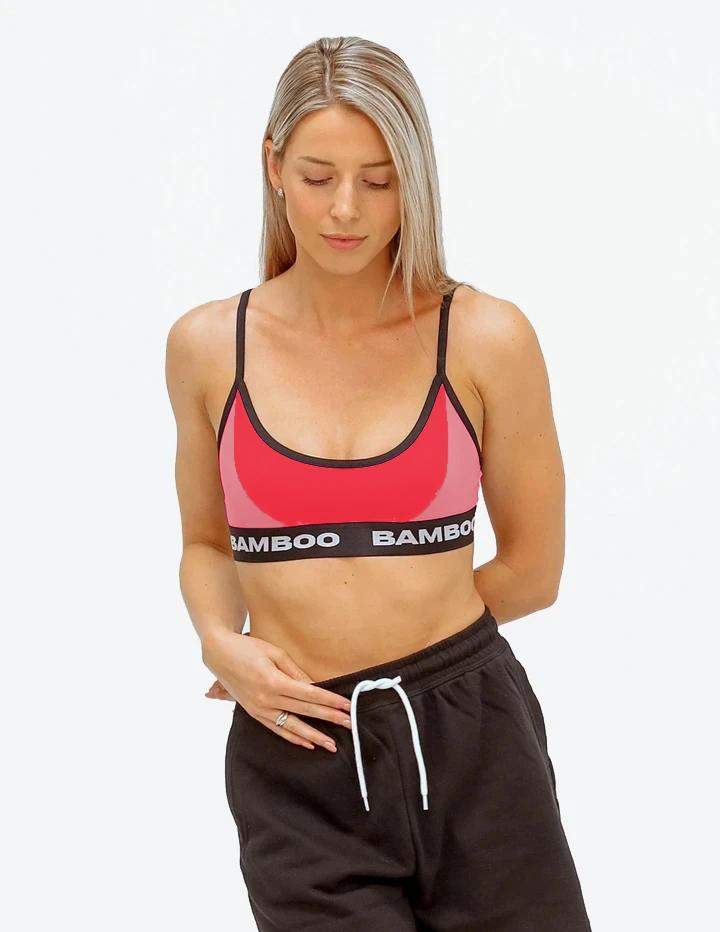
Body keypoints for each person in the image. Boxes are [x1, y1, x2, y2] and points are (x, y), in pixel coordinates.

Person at [165, 35, 592, 932]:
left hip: (474, 742)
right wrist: (219, 642)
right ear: (273, 167)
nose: (346, 209)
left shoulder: (485, 338)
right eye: (318, 176)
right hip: (298, 751)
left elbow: (535, 569)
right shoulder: (208, 347)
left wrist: (411, 649)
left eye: (380, 179)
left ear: (416, 177)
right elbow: (206, 542)